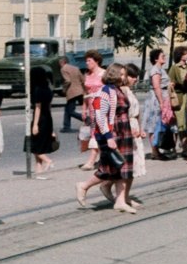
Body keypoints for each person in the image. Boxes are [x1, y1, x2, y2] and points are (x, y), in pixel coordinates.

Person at [75, 63, 136, 214]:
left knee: (123, 168)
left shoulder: (118, 90)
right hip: (113, 132)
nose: (124, 77)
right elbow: (100, 116)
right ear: (113, 74)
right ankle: (83, 185)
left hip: (124, 131)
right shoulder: (105, 91)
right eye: (121, 74)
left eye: (124, 74)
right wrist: (108, 137)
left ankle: (120, 201)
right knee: (108, 168)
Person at [142, 48, 173, 159]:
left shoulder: (161, 69)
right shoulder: (155, 70)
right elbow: (156, 86)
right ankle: (155, 151)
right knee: (154, 125)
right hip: (155, 100)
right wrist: (161, 102)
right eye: (162, 56)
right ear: (156, 59)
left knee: (159, 125)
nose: (164, 56)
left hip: (161, 98)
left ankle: (157, 149)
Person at [80, 50, 106, 170]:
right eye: (86, 61)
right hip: (91, 108)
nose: (87, 63)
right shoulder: (87, 75)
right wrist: (84, 109)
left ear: (96, 61)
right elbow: (85, 93)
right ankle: (103, 159)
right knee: (95, 133)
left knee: (98, 133)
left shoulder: (104, 74)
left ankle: (91, 161)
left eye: (89, 60)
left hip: (102, 106)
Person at [29, 66, 56, 174]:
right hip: (48, 118)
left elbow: (38, 108)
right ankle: (38, 168)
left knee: (34, 145)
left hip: (40, 119)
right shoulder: (48, 89)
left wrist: (35, 125)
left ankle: (48, 161)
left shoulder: (37, 90)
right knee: (39, 144)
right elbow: (49, 107)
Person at [167, 45, 187, 157]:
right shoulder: (174, 68)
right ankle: (176, 148)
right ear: (180, 55)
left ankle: (185, 148)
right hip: (179, 98)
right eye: (185, 53)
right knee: (180, 124)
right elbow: (170, 83)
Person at [58, 55, 86, 133]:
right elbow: (83, 80)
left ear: (62, 62)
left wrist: (64, 89)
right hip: (80, 91)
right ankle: (66, 126)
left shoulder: (63, 69)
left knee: (70, 110)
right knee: (68, 109)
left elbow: (68, 81)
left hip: (72, 92)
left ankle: (86, 119)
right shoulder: (75, 68)